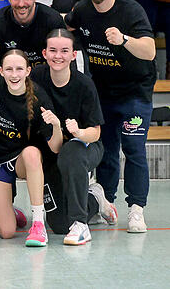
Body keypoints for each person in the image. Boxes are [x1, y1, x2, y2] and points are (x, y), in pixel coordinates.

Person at [65, 0, 156, 234]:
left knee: (133, 150)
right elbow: (66, 25)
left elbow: (150, 51)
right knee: (105, 152)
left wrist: (125, 40)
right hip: (102, 93)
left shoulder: (130, 10)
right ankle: (106, 205)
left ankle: (136, 210)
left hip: (135, 92)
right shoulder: (81, 10)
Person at [30, 29, 117, 244]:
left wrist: (78, 133)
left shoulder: (84, 85)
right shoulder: (36, 78)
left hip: (85, 146)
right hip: (52, 150)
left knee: (72, 150)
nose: (58, 56)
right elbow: (13, 82)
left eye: (64, 51)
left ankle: (80, 225)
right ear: (44, 53)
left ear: (73, 55)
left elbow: (95, 132)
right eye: (53, 50)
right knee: (59, 225)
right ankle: (95, 198)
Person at [0, 50, 62, 246]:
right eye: (9, 69)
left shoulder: (39, 97)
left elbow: (55, 148)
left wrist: (57, 126)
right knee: (6, 232)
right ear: (1, 71)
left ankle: (38, 224)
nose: (14, 74)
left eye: (19, 69)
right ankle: (10, 211)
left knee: (32, 153)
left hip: (23, 160)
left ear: (27, 71)